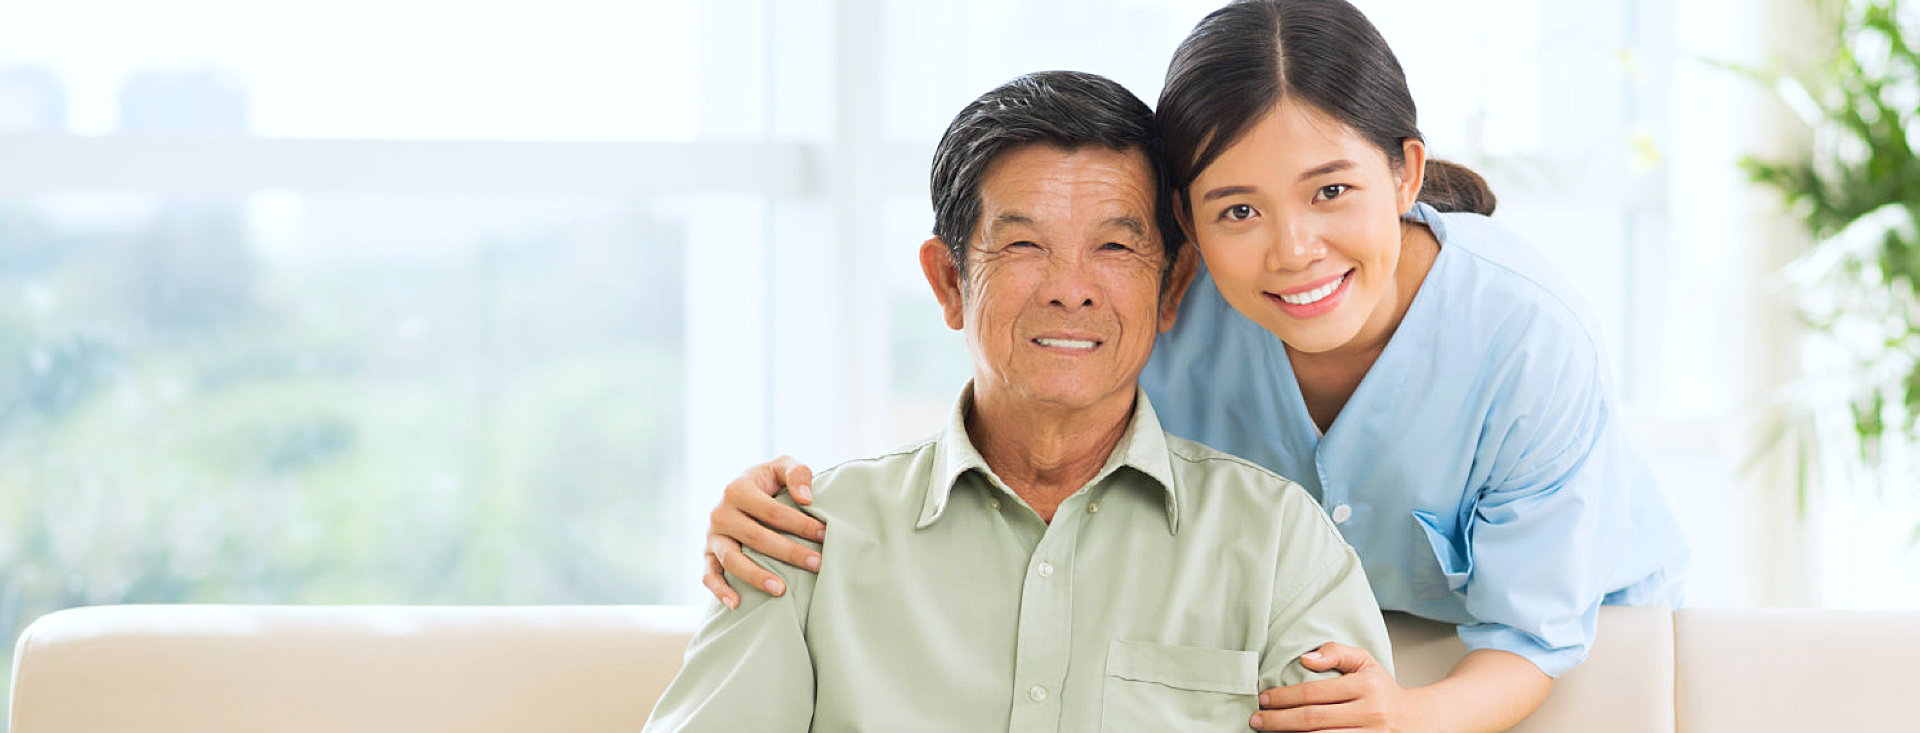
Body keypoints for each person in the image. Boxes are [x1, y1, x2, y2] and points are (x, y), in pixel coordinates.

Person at [701, 1, 1689, 731]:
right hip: (1304, 628)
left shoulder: (1524, 333)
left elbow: (1532, 635)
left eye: (1333, 189)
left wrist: (1410, 713)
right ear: (1189, 234)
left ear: (1405, 171)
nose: (1293, 249)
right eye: (1238, 210)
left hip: (1536, 641)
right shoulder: (1171, 303)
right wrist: (799, 501)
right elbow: (1032, 406)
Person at [645, 69, 1393, 733]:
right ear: (947, 282)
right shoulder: (800, 540)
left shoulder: (1277, 544)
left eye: (1115, 246)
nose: (1072, 287)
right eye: (1024, 246)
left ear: (1172, 285)